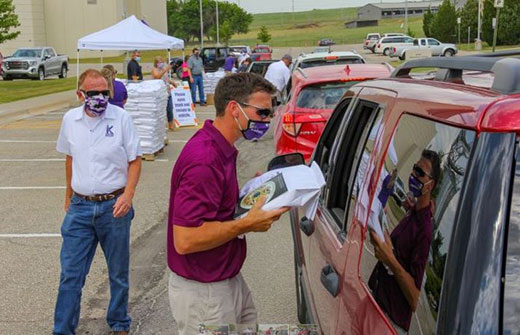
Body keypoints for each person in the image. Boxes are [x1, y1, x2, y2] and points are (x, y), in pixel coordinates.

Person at [167, 73, 288, 335]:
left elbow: (216, 208)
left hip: (226, 280)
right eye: (262, 112)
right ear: (234, 109)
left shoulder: (221, 147)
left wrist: (251, 195)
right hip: (205, 293)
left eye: (270, 113)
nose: (266, 120)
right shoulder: (205, 159)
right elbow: (185, 239)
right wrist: (246, 224)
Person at [53, 69, 142, 335]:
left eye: (105, 92)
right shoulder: (70, 120)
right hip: (80, 208)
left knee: (118, 272)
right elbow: (69, 157)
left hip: (113, 206)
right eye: (94, 93)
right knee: (71, 275)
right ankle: (63, 330)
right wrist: (68, 194)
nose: (101, 97)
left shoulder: (121, 118)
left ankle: (118, 322)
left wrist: (128, 195)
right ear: (80, 94)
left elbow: (134, 160)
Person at [368, 150, 441, 334]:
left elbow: (415, 298)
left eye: (420, 173)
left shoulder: (424, 229)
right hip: (377, 301)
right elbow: (397, 252)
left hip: (390, 321)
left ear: (431, 185)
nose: (414, 174)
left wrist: (389, 259)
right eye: (415, 168)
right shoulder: (413, 212)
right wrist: (378, 225)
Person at [152, 56, 178, 130]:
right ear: (156, 63)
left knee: (170, 109)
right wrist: (165, 70)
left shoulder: (164, 69)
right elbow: (157, 76)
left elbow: (166, 78)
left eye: (161, 62)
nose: (160, 63)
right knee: (162, 110)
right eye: (158, 62)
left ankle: (171, 124)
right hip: (160, 94)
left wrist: (172, 82)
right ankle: (162, 125)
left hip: (167, 92)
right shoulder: (155, 69)